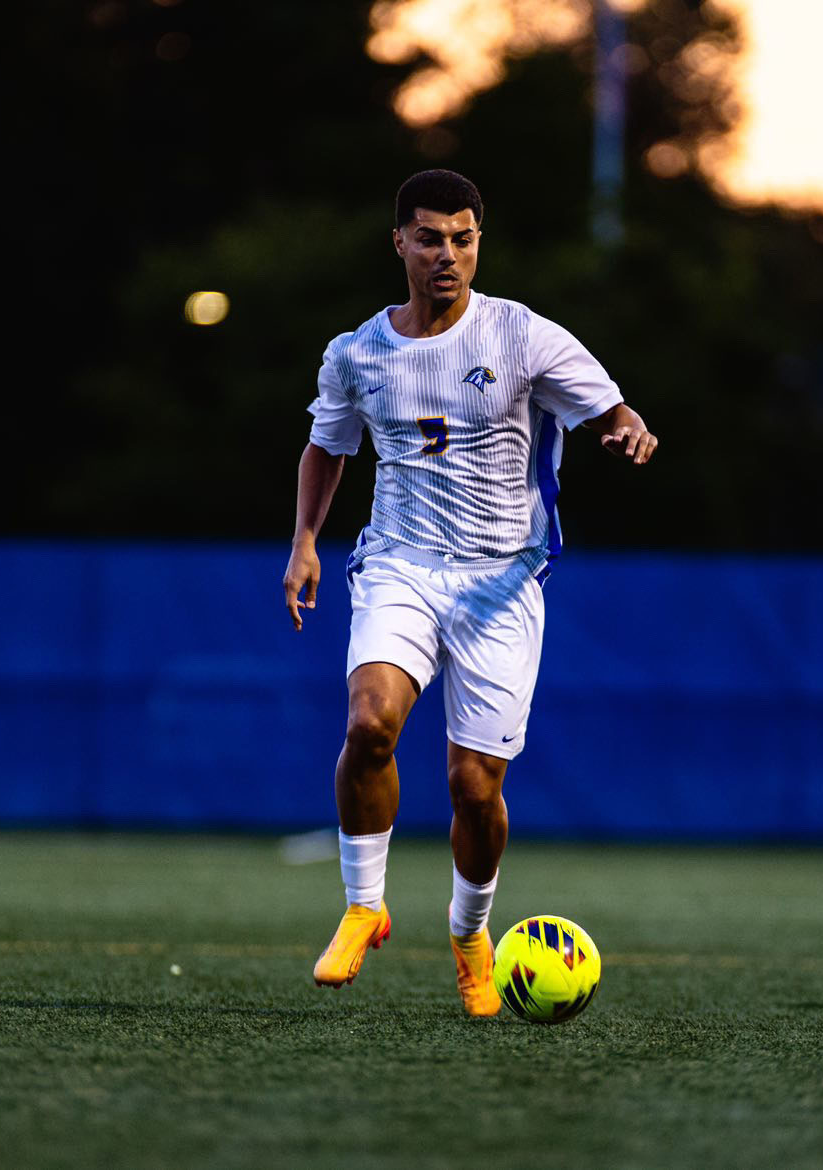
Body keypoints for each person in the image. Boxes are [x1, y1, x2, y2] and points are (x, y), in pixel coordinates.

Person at [283, 169, 656, 1017]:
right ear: (400, 245)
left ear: (478, 242)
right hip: (400, 565)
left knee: (473, 786)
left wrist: (626, 430)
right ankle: (364, 906)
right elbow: (327, 447)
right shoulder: (357, 352)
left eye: (463, 238)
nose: (446, 254)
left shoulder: (522, 336)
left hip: (503, 578)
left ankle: (469, 931)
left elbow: (610, 410)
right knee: (369, 722)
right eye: (429, 237)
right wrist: (305, 542)